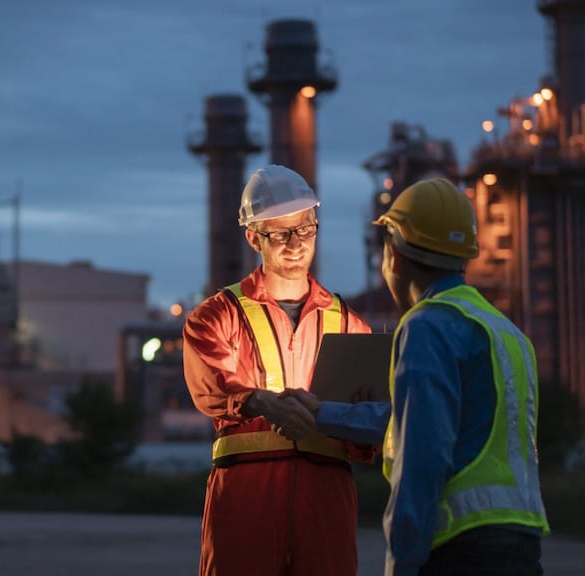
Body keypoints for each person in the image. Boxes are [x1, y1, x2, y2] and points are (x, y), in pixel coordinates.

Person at [283, 177, 549, 576]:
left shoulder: (428, 325)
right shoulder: (504, 331)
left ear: (395, 254)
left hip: (461, 549)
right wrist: (320, 414)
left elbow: (422, 457)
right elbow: (413, 421)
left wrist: (401, 562)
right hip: (521, 543)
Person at [182, 164, 374, 576]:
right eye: (280, 234)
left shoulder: (351, 324)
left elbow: (371, 422)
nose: (295, 244)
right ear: (253, 237)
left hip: (326, 493)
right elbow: (212, 385)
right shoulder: (215, 317)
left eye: (304, 230)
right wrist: (263, 402)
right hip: (247, 492)